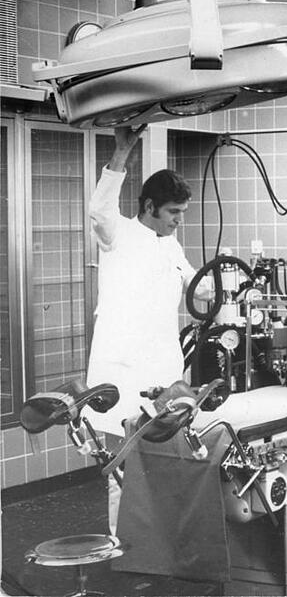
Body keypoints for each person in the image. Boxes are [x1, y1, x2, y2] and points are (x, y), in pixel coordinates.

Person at [85, 124, 212, 533]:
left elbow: (200, 287)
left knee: (167, 452)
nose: (178, 221)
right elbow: (98, 209)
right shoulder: (117, 233)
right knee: (124, 461)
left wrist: (225, 285)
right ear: (151, 206)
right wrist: (122, 153)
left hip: (163, 370)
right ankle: (122, 545)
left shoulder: (170, 245)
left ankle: (162, 541)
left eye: (182, 214)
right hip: (123, 372)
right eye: (174, 213)